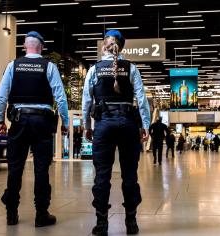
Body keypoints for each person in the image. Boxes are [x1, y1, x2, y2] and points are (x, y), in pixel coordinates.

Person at [0, 31, 69, 227]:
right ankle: (41, 214)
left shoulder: (13, 65)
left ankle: (11, 214)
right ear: (41, 47)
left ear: (24, 46)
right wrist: (66, 123)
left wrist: (0, 120)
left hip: (19, 121)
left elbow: (2, 96)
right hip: (42, 123)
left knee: (15, 168)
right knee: (41, 170)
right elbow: (60, 98)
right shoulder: (49, 66)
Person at [82, 30, 150, 236]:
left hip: (103, 124)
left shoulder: (94, 69)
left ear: (104, 46)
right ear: (121, 47)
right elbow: (142, 99)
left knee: (102, 175)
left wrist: (87, 126)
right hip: (128, 123)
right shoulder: (131, 68)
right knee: (130, 174)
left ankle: (101, 223)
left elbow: (87, 102)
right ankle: (131, 222)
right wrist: (145, 124)